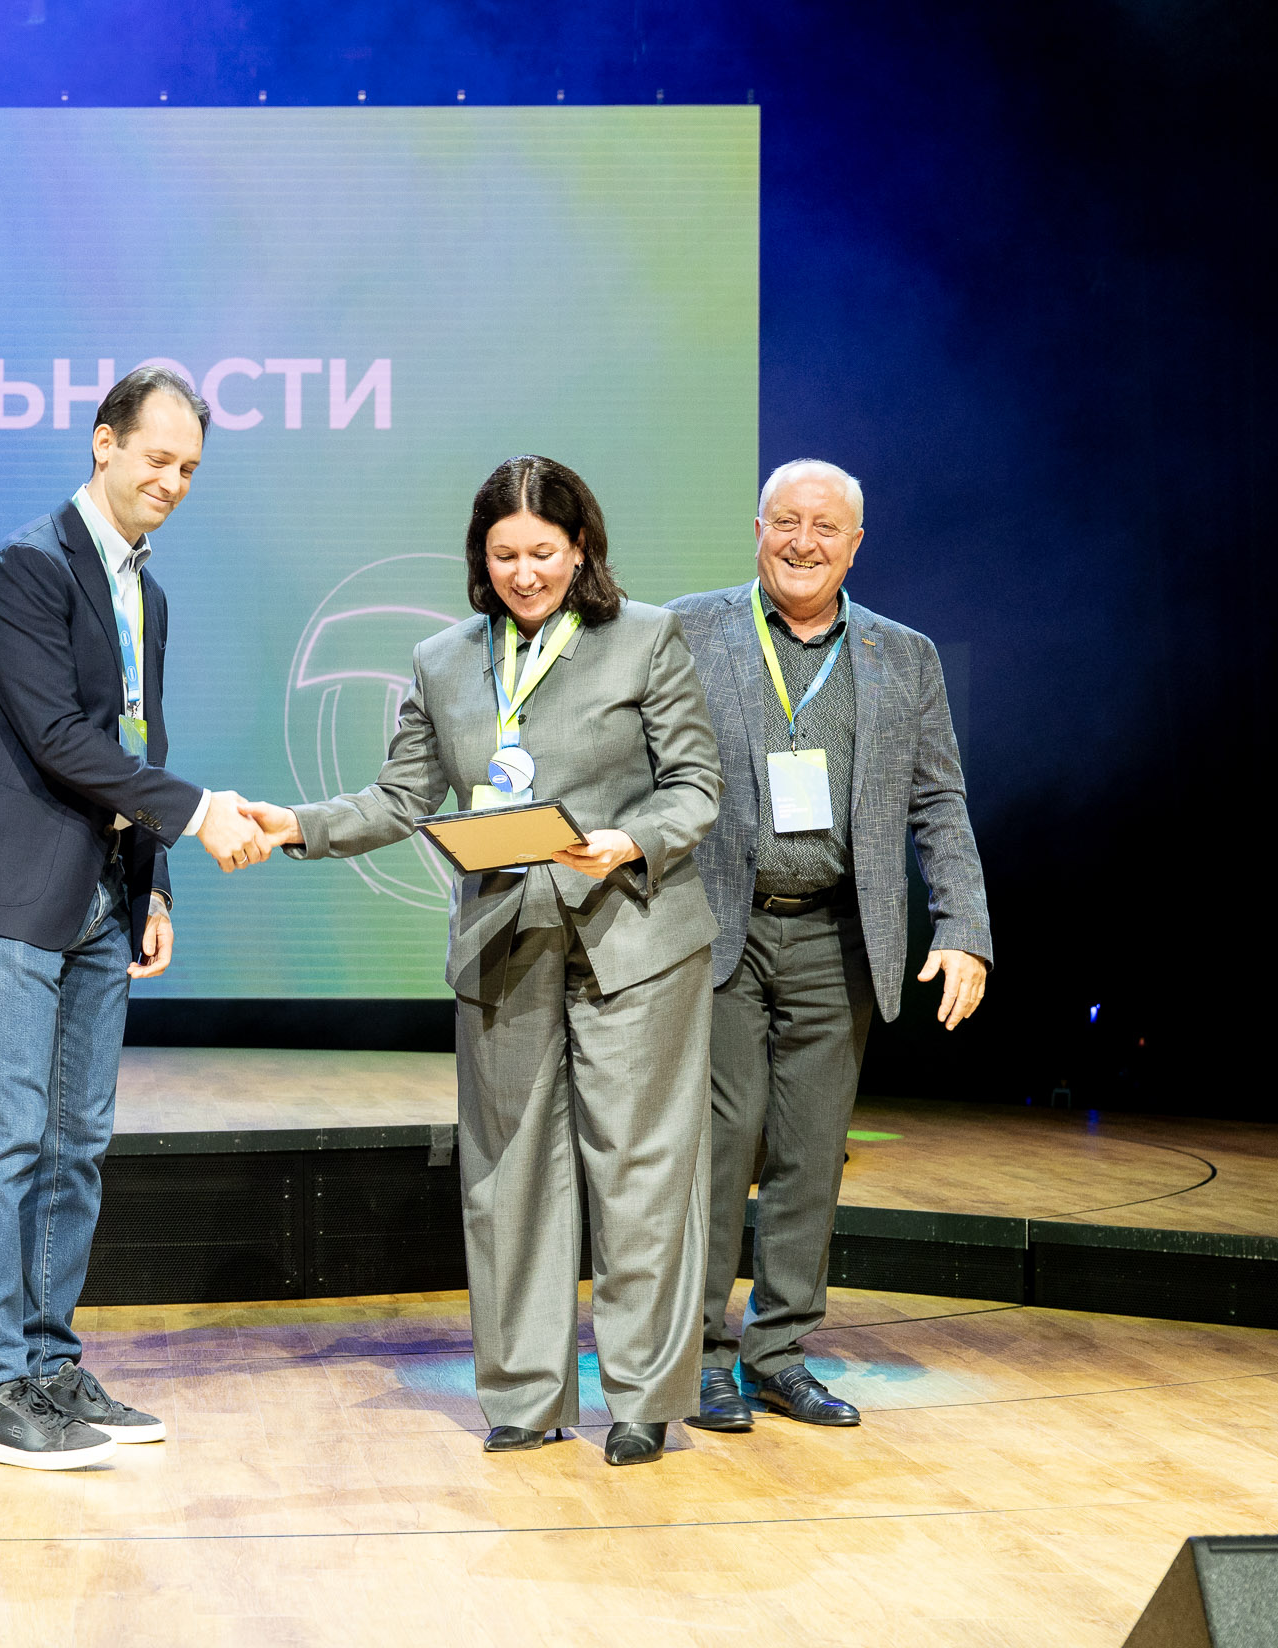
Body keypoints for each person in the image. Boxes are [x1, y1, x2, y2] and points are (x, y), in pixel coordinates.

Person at [244, 456, 722, 1467]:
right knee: (508, 1178)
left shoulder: (646, 638)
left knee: (639, 1173)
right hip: (504, 941)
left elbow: (694, 785)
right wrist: (297, 825)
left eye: (542, 552)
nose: (523, 573)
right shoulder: (443, 660)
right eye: (504, 555)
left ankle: (643, 1398)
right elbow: (398, 798)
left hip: (635, 939)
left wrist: (628, 841)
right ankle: (524, 1395)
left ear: (580, 548)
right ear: (481, 557)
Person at [0, 366, 277, 1470]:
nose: (171, 481)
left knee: (76, 1144)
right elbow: (59, 741)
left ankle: (48, 1365)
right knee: (4, 1137)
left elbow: (137, 741)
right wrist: (202, 813)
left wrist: (154, 882)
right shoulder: (26, 568)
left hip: (100, 895)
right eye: (156, 458)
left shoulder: (145, 589)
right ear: (103, 442)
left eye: (189, 468)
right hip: (14, 890)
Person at [666, 458, 993, 1435]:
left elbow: (939, 798)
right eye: (785, 521)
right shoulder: (687, 630)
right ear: (757, 530)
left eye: (824, 528)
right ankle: (700, 1357)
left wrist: (964, 927)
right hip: (718, 926)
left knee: (811, 1154)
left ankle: (776, 1354)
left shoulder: (905, 655)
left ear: (854, 545)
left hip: (838, 936)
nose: (802, 543)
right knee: (721, 1143)